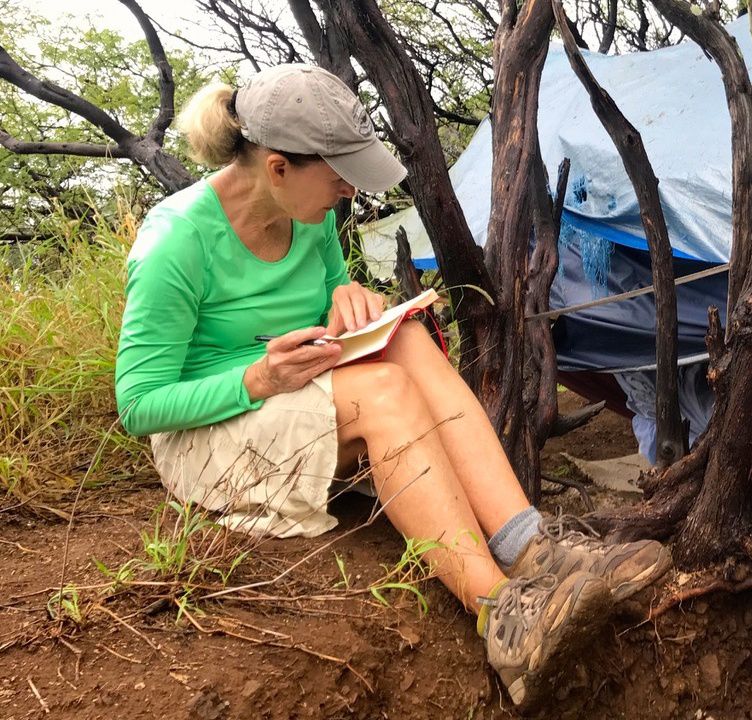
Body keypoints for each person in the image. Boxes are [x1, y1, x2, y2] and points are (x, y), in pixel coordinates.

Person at [113, 64, 671, 708]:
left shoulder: (311, 215)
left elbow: (324, 296)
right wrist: (257, 376)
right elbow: (139, 404)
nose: (350, 191)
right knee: (384, 393)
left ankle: (532, 549)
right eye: (339, 174)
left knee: (404, 334)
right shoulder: (175, 243)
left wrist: (346, 293)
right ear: (277, 167)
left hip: (295, 402)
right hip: (208, 440)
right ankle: (503, 617)